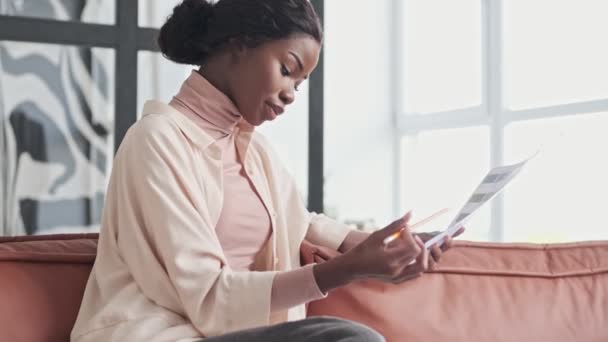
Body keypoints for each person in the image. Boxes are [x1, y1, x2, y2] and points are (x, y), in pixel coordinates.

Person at [70, 0, 462, 341]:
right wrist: (346, 270)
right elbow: (208, 295)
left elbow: (299, 222)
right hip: (161, 336)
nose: (292, 93)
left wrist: (387, 242)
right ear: (239, 45)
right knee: (349, 339)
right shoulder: (155, 141)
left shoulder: (254, 149)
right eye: (287, 69)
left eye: (301, 83)